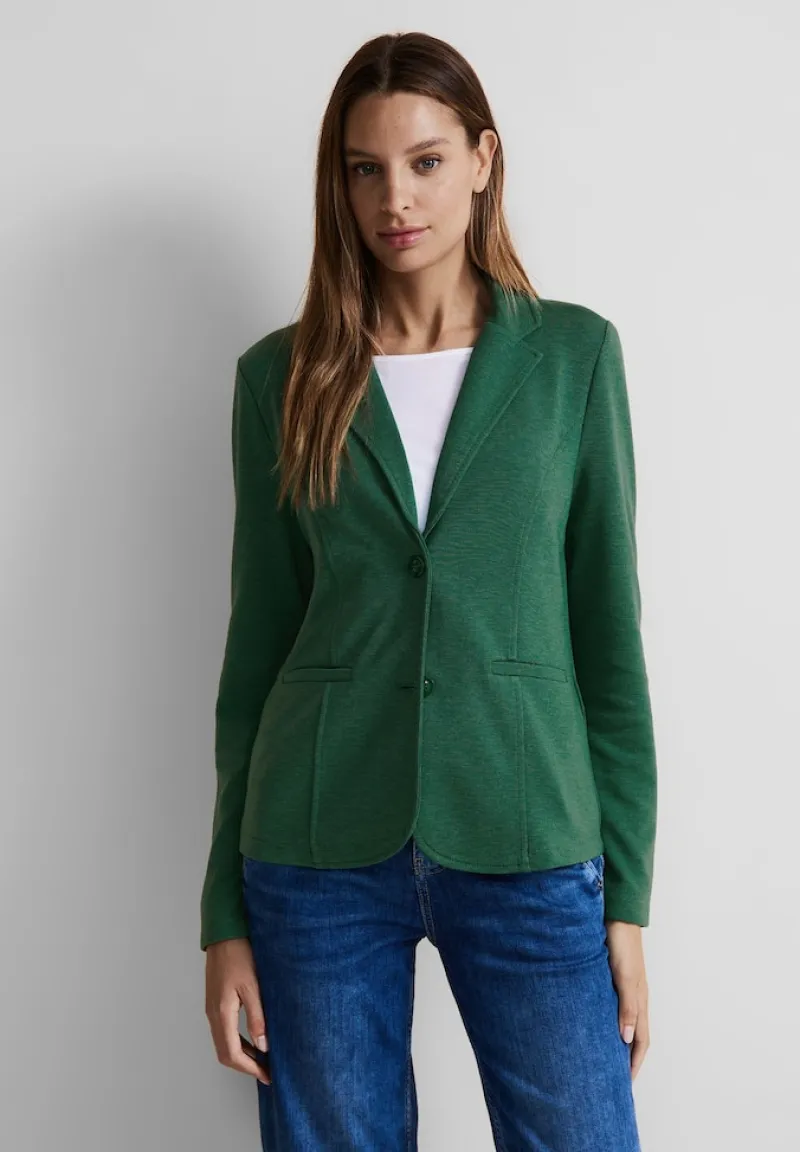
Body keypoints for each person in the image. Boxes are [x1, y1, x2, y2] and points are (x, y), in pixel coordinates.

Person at [201, 29, 657, 1152]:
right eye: (365, 168)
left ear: (483, 159)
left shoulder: (572, 359)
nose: (394, 198)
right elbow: (256, 653)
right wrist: (223, 913)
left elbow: (607, 640)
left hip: (525, 826)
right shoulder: (280, 377)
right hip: (313, 843)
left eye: (425, 161)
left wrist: (627, 898)